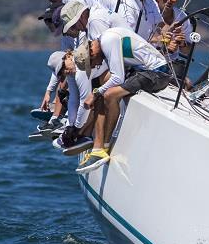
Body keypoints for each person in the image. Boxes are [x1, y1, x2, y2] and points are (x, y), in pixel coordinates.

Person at [73, 26, 172, 173]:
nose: (97, 65)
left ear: (92, 53)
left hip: (157, 74)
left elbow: (118, 77)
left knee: (108, 95)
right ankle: (99, 144)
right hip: (145, 72)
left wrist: (95, 93)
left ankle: (103, 148)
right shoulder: (105, 38)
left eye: (93, 64)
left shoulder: (108, 40)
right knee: (102, 86)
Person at [54, 51, 109, 155]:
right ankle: (82, 135)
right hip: (97, 74)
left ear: (68, 56)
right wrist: (70, 125)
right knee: (83, 103)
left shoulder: (80, 70)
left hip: (114, 72)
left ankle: (85, 135)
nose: (66, 71)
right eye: (62, 72)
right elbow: (74, 99)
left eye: (64, 67)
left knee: (90, 102)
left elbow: (85, 101)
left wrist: (75, 128)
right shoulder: (70, 70)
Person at [152, 0, 194, 81]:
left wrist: (182, 43)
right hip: (148, 61)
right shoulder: (149, 13)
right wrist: (162, 41)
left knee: (187, 84)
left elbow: (188, 51)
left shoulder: (182, 17)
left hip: (171, 66)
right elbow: (140, 38)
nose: (169, 1)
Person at [60, 0, 130, 42]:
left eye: (73, 26)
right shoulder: (95, 16)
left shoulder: (94, 21)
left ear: (81, 16)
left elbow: (102, 52)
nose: (76, 29)